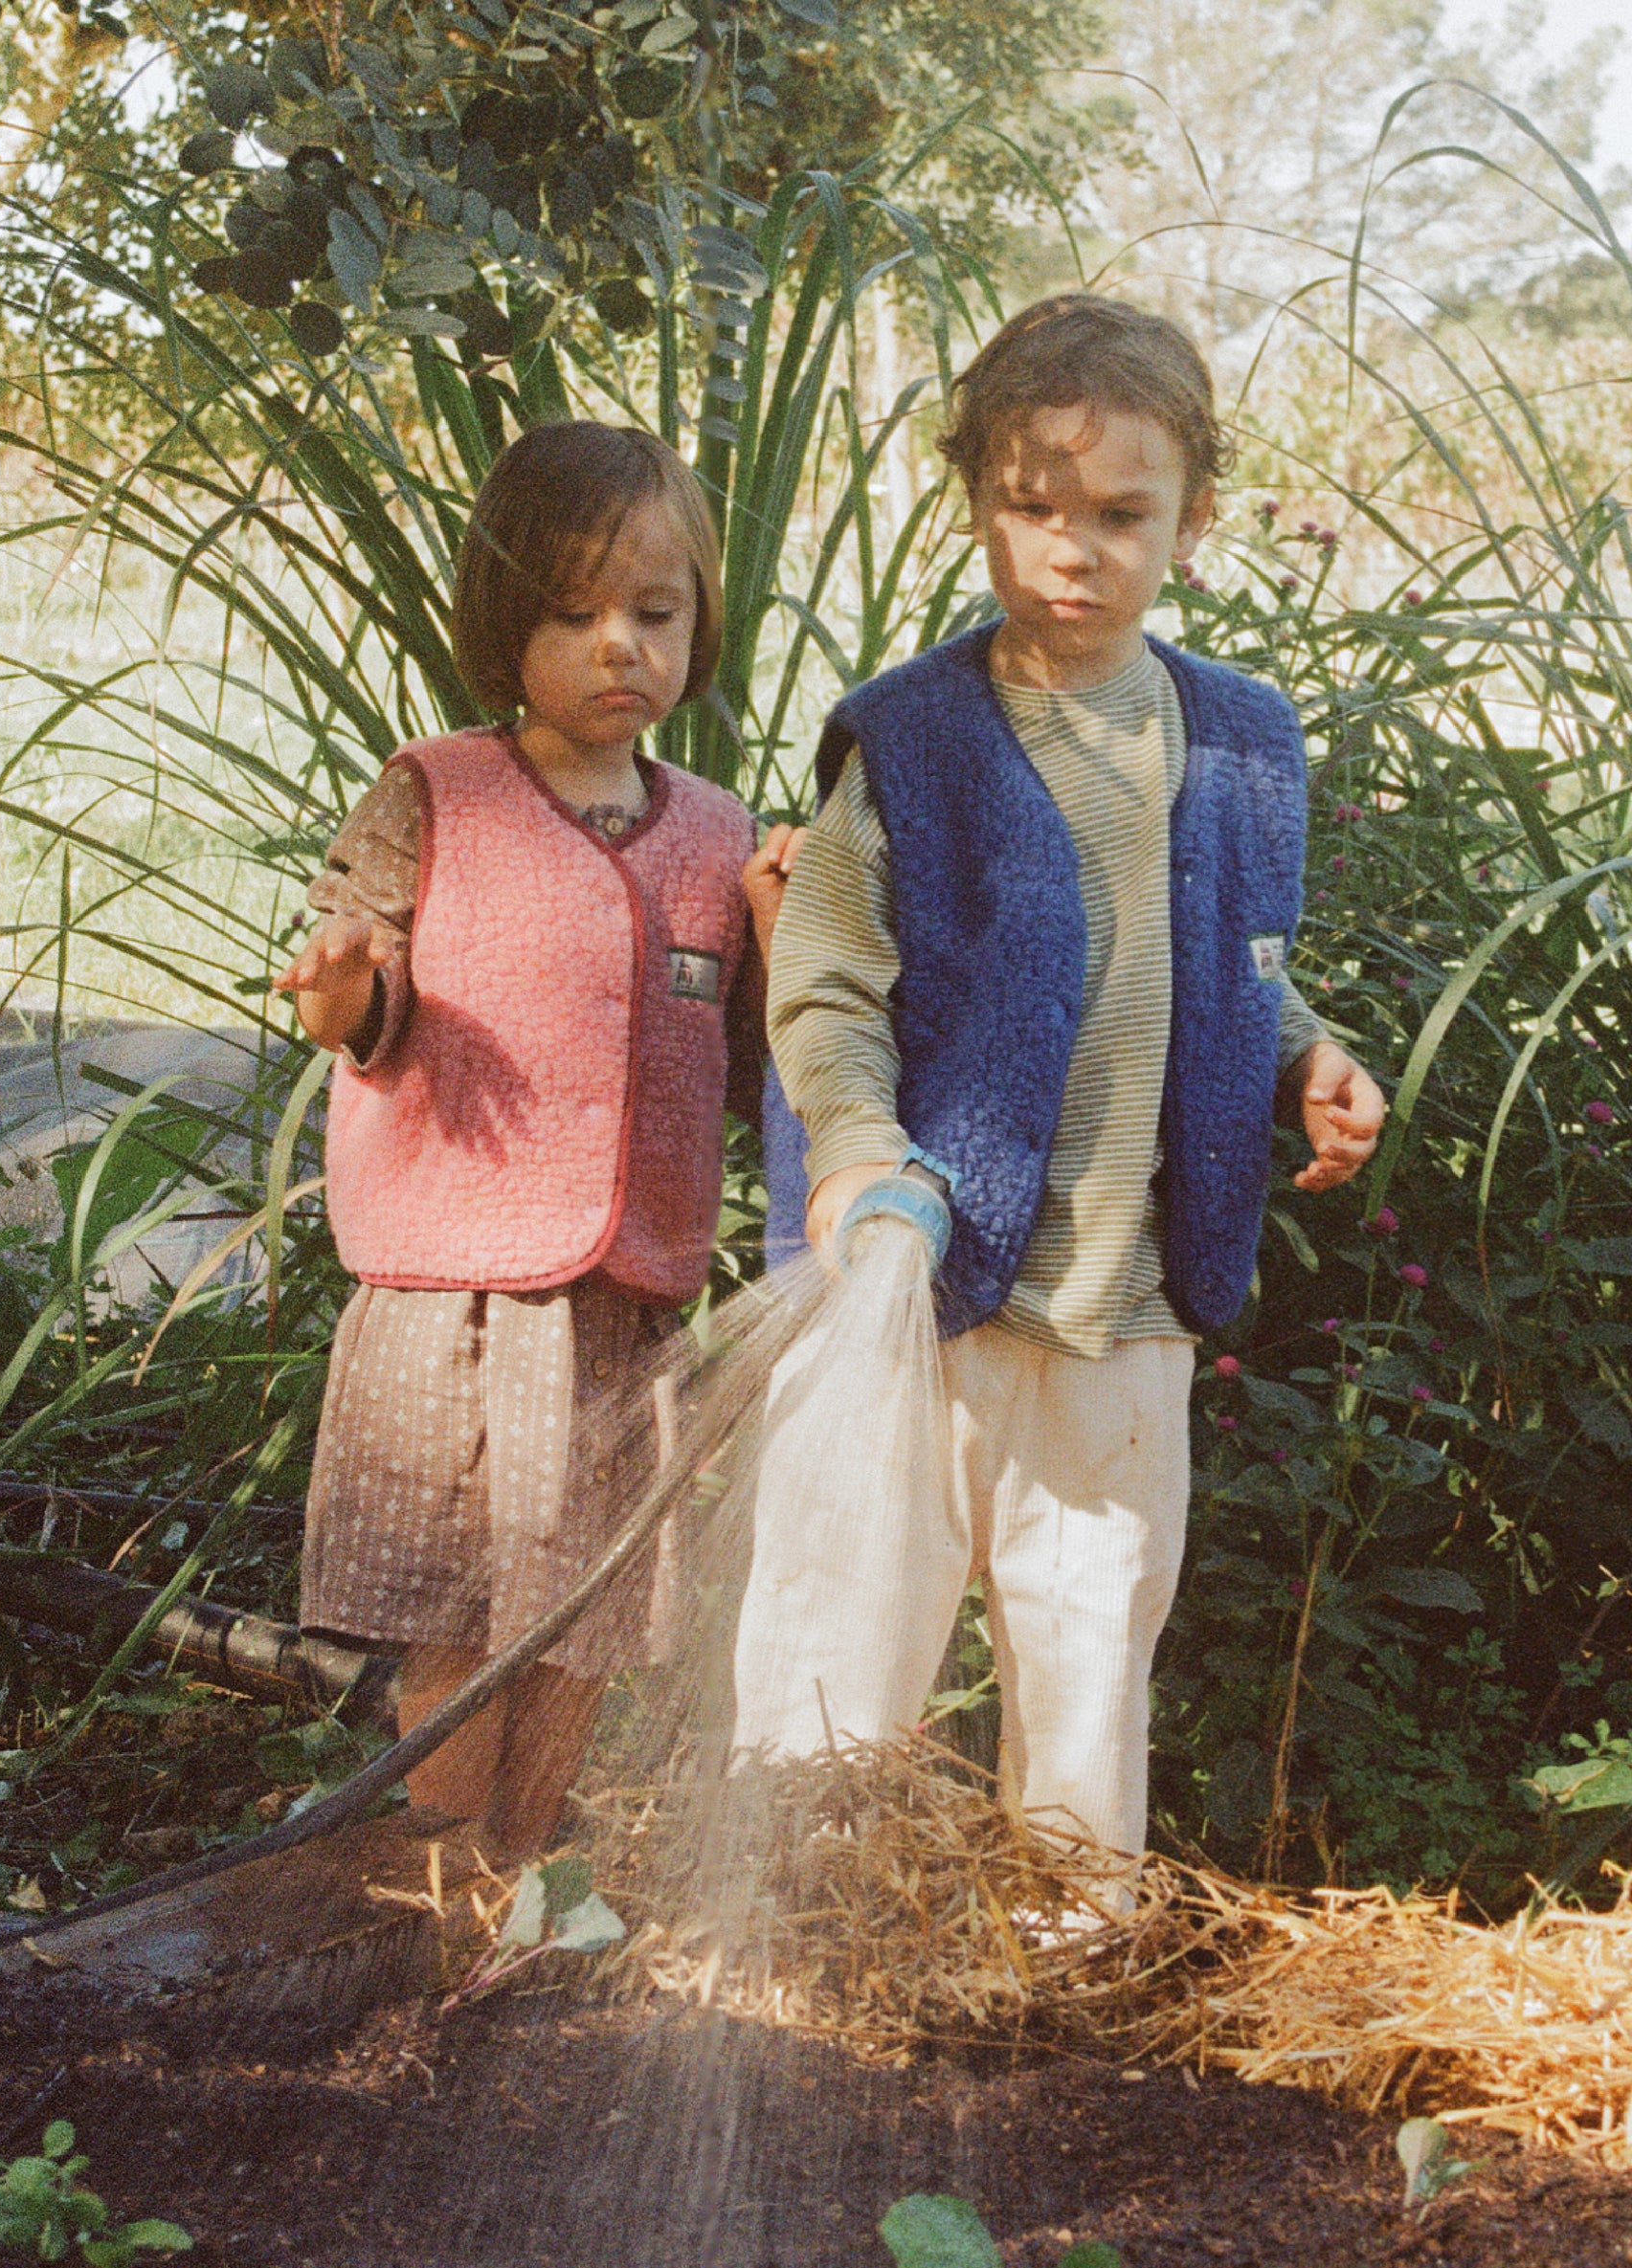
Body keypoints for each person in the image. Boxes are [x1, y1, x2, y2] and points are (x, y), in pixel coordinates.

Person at [736, 292, 1385, 1895]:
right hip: (921, 1279)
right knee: (850, 1630)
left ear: (1194, 516)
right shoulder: (913, 740)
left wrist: (1309, 1055)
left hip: (1128, 1293)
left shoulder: (1235, 739)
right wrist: (858, 1153)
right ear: (978, 501)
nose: (1073, 550)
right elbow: (824, 984)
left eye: (1121, 514)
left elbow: (1228, 958)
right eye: (1033, 508)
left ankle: (1072, 1969)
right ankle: (803, 1933)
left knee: (1093, 1643)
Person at [276, 421, 764, 1868]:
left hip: (629, 1298)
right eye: (572, 613)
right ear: (507, 622)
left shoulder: (718, 832)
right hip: (464, 1293)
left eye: (655, 614)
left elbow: (745, 1050)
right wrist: (344, 984)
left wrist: (793, 935)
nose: (618, 646)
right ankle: (440, 1867)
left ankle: (520, 1871)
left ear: (697, 623)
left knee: (588, 1617)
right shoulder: (435, 792)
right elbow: (354, 1002)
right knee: (460, 1607)